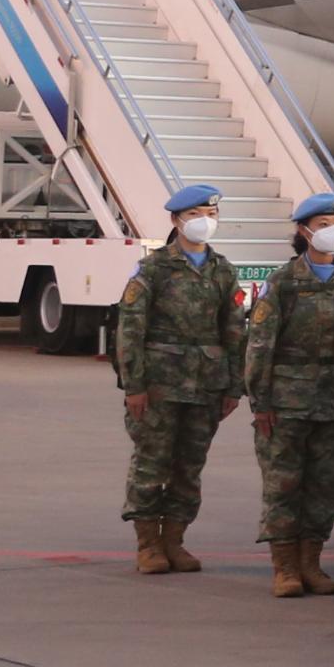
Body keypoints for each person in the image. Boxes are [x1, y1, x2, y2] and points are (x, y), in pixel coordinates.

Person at [110, 185, 243, 575]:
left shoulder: (222, 270)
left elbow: (234, 331)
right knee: (152, 463)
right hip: (159, 385)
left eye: (211, 214)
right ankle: (148, 543)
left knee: (189, 466)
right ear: (176, 220)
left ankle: (175, 540)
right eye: (197, 214)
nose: (205, 222)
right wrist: (133, 385)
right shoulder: (153, 269)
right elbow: (130, 329)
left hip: (206, 387)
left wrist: (234, 386)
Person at [240, 194, 334, 600]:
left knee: (326, 484)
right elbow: (260, 346)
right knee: (284, 484)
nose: (333, 230)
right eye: (323, 222)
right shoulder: (284, 283)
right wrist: (261, 402)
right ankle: (285, 566)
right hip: (288, 400)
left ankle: (311, 562)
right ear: (304, 230)